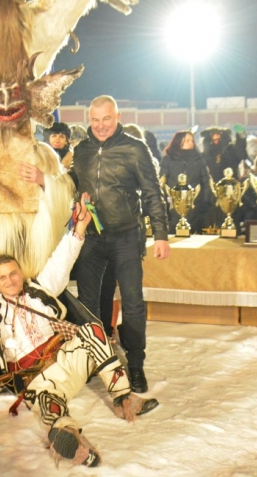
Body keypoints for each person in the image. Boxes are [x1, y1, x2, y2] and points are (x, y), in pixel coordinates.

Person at [0, 197, 158, 468]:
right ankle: (69, 439)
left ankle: (123, 398)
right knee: (49, 406)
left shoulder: (39, 288)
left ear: (20, 272)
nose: (9, 281)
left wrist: (79, 228)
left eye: (13, 274)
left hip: (66, 360)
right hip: (37, 379)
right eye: (2, 277)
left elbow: (62, 259)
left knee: (93, 330)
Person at [68, 95, 170, 393]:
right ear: (89, 119)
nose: (100, 126)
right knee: (87, 306)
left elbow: (153, 193)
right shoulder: (81, 150)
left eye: (106, 119)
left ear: (117, 117)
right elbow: (75, 184)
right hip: (92, 238)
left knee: (133, 303)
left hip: (126, 237)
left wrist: (161, 234)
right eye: (95, 120)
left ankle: (135, 366)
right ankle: (93, 359)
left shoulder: (135, 149)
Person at [159, 131, 214, 234]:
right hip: (173, 206)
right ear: (179, 142)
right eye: (187, 140)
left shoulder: (199, 159)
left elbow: (205, 181)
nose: (191, 143)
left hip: (195, 205)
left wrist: (206, 201)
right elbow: (162, 182)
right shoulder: (167, 159)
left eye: (192, 140)